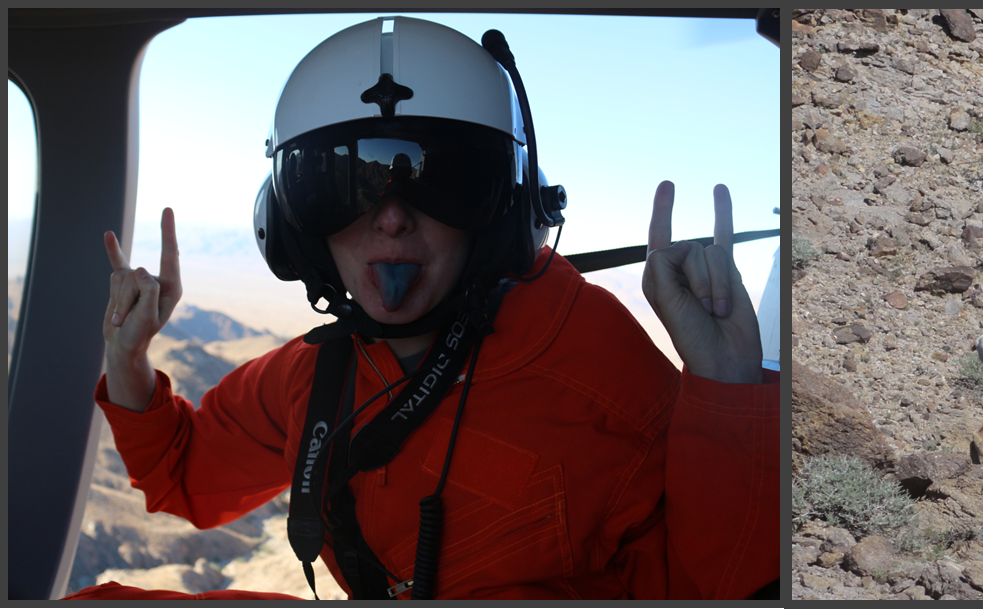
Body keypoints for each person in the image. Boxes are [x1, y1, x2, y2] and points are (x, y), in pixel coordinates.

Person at [69, 17, 777, 600]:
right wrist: (127, 362)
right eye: (343, 184)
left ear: (498, 207)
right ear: (293, 227)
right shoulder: (311, 377)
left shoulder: (599, 367)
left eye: (443, 179)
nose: (393, 219)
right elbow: (185, 475)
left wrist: (730, 391)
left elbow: (719, 584)